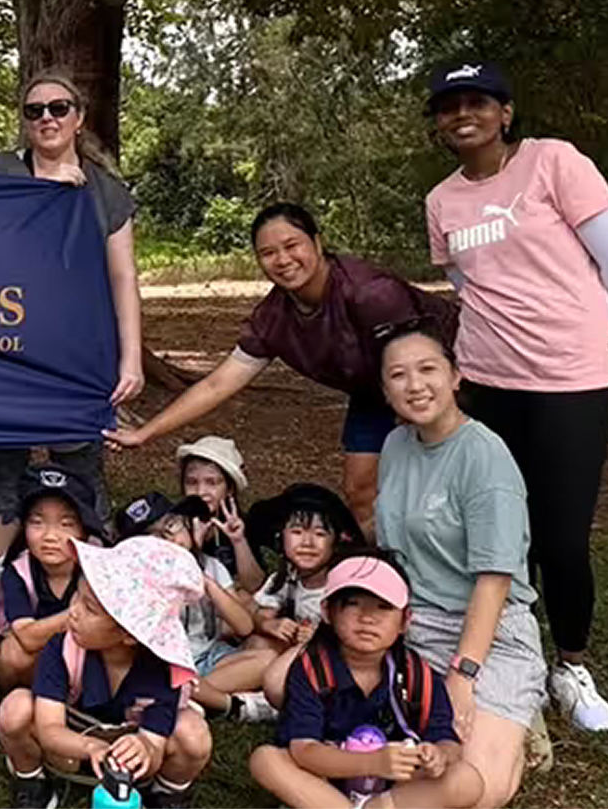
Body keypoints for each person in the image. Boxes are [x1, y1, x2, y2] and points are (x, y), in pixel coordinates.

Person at [422, 61, 608, 733]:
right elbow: (468, 286)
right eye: (450, 105)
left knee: (561, 537)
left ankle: (570, 664)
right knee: (495, 528)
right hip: (486, 382)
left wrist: (578, 327)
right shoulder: (442, 201)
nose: (464, 114)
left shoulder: (554, 163)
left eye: (478, 101)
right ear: (438, 122)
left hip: (571, 381)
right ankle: (507, 650)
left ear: (506, 113)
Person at [104, 203, 454, 529]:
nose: (283, 260)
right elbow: (217, 384)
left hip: (442, 381)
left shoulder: (370, 293)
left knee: (440, 484)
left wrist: (414, 418)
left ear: (317, 242)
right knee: (361, 490)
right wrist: (145, 433)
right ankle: (383, 566)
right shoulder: (274, 317)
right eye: (268, 253)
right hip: (373, 390)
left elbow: (418, 362)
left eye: (292, 245)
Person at [0, 72, 144, 582]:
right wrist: (45, 193)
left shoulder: (107, 190)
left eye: (58, 107)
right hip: (9, 344)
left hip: (77, 347)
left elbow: (123, 277)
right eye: (34, 110)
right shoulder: (1, 171)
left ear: (79, 117)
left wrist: (131, 358)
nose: (47, 117)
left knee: (79, 463)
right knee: (2, 465)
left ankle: (94, 582)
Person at [372, 323, 549, 809]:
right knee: (284, 685)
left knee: (482, 790)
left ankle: (516, 715)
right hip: (409, 624)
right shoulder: (396, 445)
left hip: (488, 631)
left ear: (455, 376)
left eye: (428, 369)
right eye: (398, 375)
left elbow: (494, 581)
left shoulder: (485, 458)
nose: (415, 385)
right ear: (385, 391)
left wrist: (463, 675)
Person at [0, 538, 211, 809]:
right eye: (77, 595)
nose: (73, 611)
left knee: (193, 734)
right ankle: (31, 779)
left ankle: (166, 793)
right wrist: (90, 747)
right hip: (71, 739)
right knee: (15, 709)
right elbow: (50, 729)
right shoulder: (63, 648)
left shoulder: (163, 671)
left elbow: (154, 743)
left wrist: (144, 746)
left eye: (89, 608)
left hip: (129, 744)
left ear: (131, 634)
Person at [250, 555, 481, 809]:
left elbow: (447, 741)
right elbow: (303, 749)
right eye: (353, 604)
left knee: (467, 779)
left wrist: (438, 756)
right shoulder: (313, 670)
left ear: (405, 620)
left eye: (384, 606)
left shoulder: (417, 674)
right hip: (325, 778)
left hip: (395, 786)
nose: (368, 618)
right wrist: (373, 762)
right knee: (266, 760)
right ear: (327, 611)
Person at [195, 483, 365, 722]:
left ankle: (240, 703)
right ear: (281, 537)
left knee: (291, 662)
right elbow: (259, 614)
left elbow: (357, 639)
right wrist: (269, 625)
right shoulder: (287, 578)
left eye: (320, 534)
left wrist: (320, 638)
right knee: (258, 641)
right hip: (291, 658)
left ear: (336, 541)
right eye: (297, 532)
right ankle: (212, 693)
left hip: (331, 664)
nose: (307, 543)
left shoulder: (342, 586)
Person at [0, 465, 102, 693]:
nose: (50, 536)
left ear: (84, 531)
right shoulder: (17, 572)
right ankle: (21, 698)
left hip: (89, 651)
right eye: (37, 522)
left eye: (66, 524)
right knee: (13, 654)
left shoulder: (100, 569)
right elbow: (27, 637)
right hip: (39, 656)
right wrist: (80, 612)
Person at [115, 493, 254, 681]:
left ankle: (199, 691)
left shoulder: (211, 566)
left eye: (171, 525)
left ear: (186, 523)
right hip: (167, 666)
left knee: (265, 659)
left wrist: (202, 578)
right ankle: (199, 692)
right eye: (154, 538)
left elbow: (244, 627)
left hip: (210, 655)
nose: (169, 539)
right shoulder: (137, 583)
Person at [173, 436, 263, 592]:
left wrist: (238, 541)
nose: (200, 492)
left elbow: (255, 586)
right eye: (192, 482)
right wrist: (195, 546)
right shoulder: (171, 525)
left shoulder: (241, 524)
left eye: (212, 483)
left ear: (229, 489)